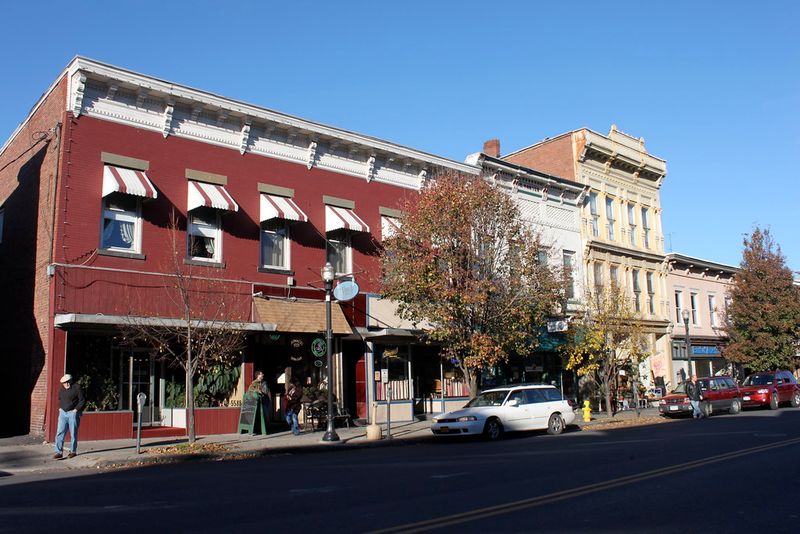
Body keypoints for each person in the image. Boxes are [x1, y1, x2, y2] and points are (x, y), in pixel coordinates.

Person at [54, 374, 85, 459]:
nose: (66, 384)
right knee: (60, 432)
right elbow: (60, 399)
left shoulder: (77, 388)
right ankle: (58, 452)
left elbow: (82, 400)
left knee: (73, 433)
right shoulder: (61, 390)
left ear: (71, 381)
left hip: (73, 413)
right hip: (63, 413)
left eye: (67, 382)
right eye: (64, 383)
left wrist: (76, 410)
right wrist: (60, 408)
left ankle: (73, 451)